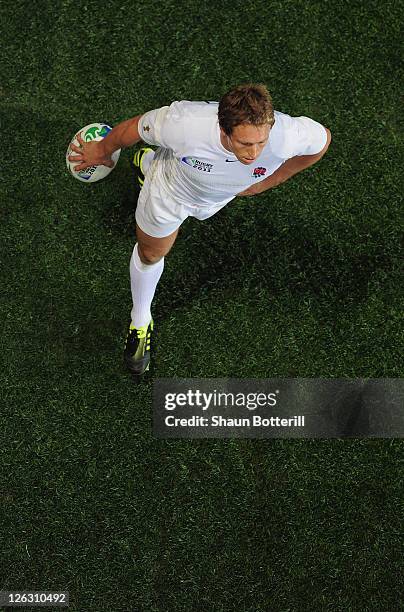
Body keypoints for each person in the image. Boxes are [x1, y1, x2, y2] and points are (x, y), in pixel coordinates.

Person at [68, 83, 331, 377]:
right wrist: (102, 150)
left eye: (261, 142)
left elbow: (322, 141)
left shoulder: (288, 136)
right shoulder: (184, 124)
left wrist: (269, 181)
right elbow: (134, 129)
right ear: (223, 129)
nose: (255, 153)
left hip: (217, 197)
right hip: (170, 192)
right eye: (245, 144)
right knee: (151, 253)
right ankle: (140, 320)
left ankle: (147, 162)